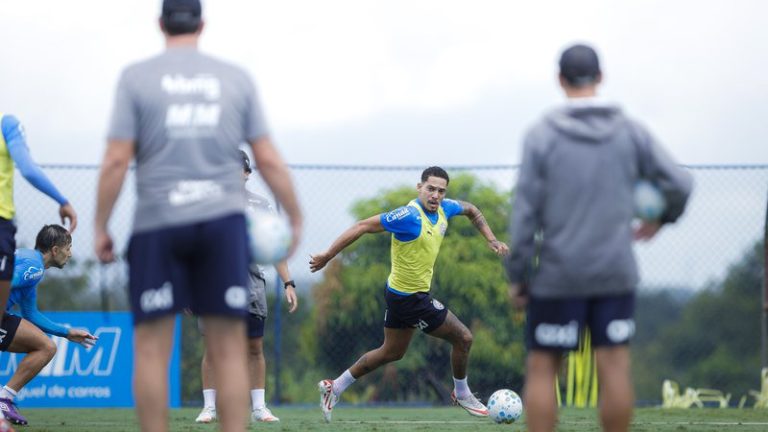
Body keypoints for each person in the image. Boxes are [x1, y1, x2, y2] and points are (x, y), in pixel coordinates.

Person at [93, 1, 302, 430]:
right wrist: (296, 216)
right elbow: (267, 157)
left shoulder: (135, 77)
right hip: (219, 227)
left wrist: (100, 224)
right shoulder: (235, 77)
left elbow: (116, 160)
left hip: (158, 224)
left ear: (160, 23)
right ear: (203, 24)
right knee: (229, 348)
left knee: (152, 350)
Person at [505, 43, 693, 432]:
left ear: (559, 79)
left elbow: (524, 216)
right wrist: (662, 219)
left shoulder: (541, 136)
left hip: (559, 275)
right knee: (614, 365)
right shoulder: (630, 132)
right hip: (615, 272)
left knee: (542, 368)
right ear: (601, 77)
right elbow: (679, 183)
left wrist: (519, 277)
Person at [309, 166, 509, 422]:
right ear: (419, 188)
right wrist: (328, 255)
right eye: (430, 189)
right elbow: (362, 225)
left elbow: (472, 210)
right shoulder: (408, 216)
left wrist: (491, 239)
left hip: (399, 294)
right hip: (410, 299)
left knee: (391, 352)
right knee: (464, 338)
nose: (435, 195)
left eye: (441, 190)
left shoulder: (446, 208)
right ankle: (462, 393)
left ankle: (334, 387)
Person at [195, 150, 299, 424]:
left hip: (251, 285)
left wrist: (288, 282)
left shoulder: (261, 205)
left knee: (254, 348)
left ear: (246, 173)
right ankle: (209, 408)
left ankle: (258, 408)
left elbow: (275, 248)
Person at [0, 225, 97, 426]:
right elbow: (5, 280)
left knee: (45, 346)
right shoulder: (34, 268)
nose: (70, 254)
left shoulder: (32, 264)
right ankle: (4, 399)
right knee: (46, 347)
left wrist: (66, 332)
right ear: (55, 250)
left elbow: (30, 314)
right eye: (68, 248)